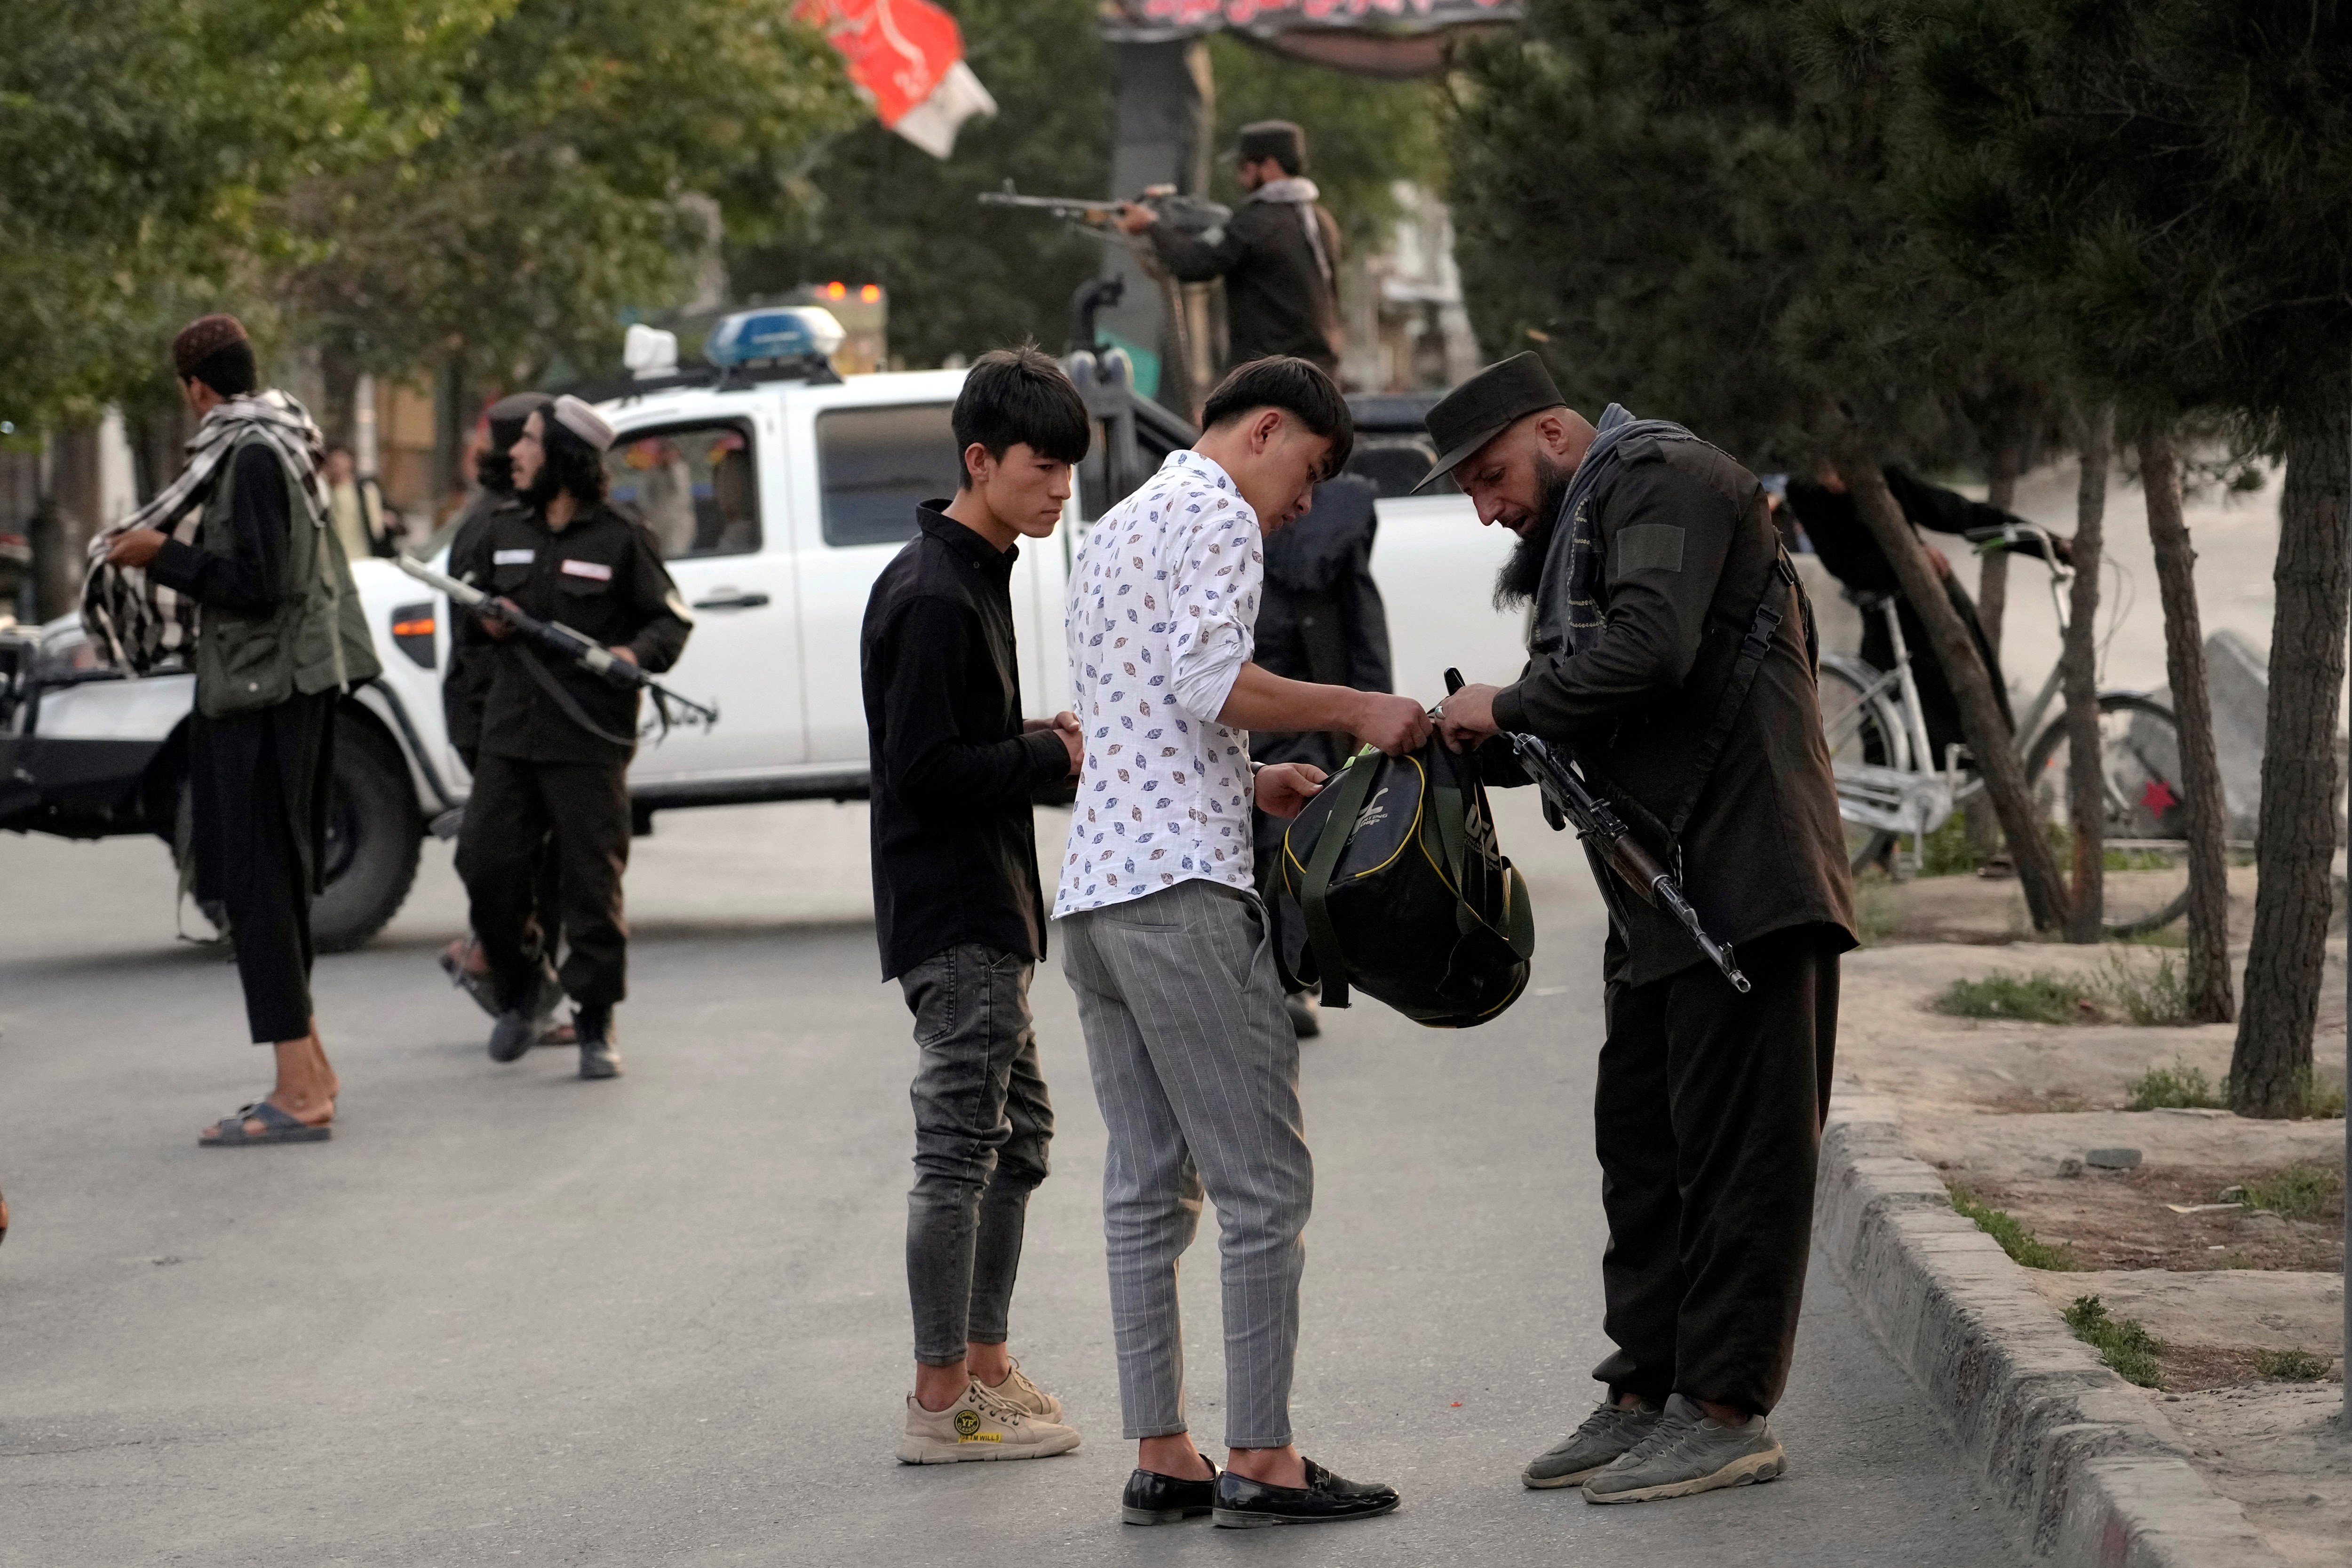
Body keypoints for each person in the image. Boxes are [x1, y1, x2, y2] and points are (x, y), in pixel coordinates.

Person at [1428, 353, 1854, 1505]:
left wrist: (1506, 705)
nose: (1488, 506)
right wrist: (1471, 737)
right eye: (1469, 489)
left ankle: (1723, 1411)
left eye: (1492, 473)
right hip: (1661, 891)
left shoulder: (1666, 479)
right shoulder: (1592, 518)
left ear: (1557, 431)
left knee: (1741, 1161)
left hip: (1748, 885)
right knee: (1646, 1151)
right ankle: (1646, 1389)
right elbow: (1598, 704)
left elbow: (1651, 650)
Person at [1055, 356, 1431, 1528]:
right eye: (1309, 471)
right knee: (1265, 1185)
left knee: (1144, 1188)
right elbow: (1212, 676)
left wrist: (1247, 778)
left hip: (1095, 896)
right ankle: (1261, 1458)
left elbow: (1143, 704)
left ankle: (1162, 1450)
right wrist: (1357, 707)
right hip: (1179, 895)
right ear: (1265, 428)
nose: (1304, 503)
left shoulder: (1113, 525)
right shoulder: (1218, 512)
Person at [860, 347, 1091, 1466]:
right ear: (981, 460)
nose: (1059, 491)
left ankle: (985, 1367)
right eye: (1044, 470)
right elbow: (926, 771)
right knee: (958, 1149)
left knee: (1023, 1136)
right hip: (955, 917)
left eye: (1068, 474)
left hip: (986, 908)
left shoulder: (972, 574)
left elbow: (959, 752)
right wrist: (1047, 753)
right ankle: (939, 1397)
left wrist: (1034, 749)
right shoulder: (934, 594)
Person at [101, 314, 383, 1146]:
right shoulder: (278, 436)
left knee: (256, 882)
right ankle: (312, 1071)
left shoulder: (251, 453)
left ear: (196, 388)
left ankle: (299, 1092)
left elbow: (259, 583)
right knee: (268, 879)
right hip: (276, 687)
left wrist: (161, 554)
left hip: (264, 694)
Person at [452, 395, 691, 1079]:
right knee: (485, 864)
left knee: (591, 884)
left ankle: (594, 1017)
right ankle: (525, 985)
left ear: (562, 457)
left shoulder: (623, 535)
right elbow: (468, 611)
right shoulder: (502, 528)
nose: (515, 454)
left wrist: (632, 655)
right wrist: (485, 623)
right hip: (511, 733)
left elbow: (669, 625)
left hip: (588, 736)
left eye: (528, 442)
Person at [437, 393, 571, 1044]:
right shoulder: (496, 523)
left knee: (532, 856)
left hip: (502, 717)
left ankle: (518, 983)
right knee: (522, 857)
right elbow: (480, 645)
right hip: (496, 719)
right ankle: (500, 963)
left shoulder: (508, 513)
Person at [1783, 463, 2067, 767]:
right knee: (1890, 726)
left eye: (1837, 465)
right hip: (1885, 614)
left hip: (1935, 603)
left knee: (1975, 702)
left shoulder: (1875, 470)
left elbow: (1955, 511)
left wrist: (2049, 544)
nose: (1833, 477)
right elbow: (1842, 565)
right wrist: (1911, 556)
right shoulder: (1804, 491)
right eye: (1822, 467)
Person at [1246, 470, 1392, 1038]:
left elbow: (1363, 625)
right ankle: (1270, 977)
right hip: (1239, 712)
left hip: (1308, 710)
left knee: (1297, 843)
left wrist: (1365, 711)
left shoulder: (1330, 520)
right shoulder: (1214, 517)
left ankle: (1291, 980)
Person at [1116, 121, 1342, 378]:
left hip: (1270, 374)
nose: (1240, 178)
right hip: (1319, 373)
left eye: (1244, 168)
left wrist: (1152, 226)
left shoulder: (1256, 221)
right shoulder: (1321, 220)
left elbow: (1192, 264)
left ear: (1269, 167)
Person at [322, 443, 396, 563]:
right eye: (333, 462)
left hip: (363, 557)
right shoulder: (326, 491)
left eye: (341, 460)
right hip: (336, 559)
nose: (338, 465)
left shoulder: (364, 489)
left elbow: (378, 526)